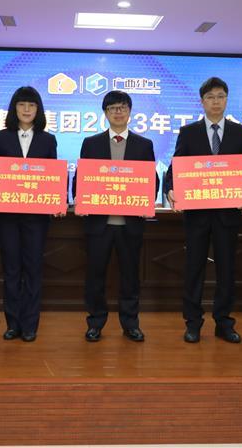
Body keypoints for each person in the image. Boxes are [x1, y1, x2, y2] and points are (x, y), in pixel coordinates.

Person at [164, 77, 242, 344]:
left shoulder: (239, 132)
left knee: (227, 270)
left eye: (220, 96)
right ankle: (193, 323)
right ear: (202, 101)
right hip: (197, 214)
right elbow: (175, 168)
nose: (216, 102)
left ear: (227, 100)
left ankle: (224, 322)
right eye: (210, 97)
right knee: (194, 269)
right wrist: (170, 189)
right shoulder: (189, 132)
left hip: (228, 214)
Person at [74, 90, 157, 343]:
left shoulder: (144, 145)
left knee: (130, 277)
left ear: (130, 112)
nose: (118, 112)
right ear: (105, 113)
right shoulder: (91, 143)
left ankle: (130, 324)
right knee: (95, 277)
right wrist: (80, 197)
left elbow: (152, 181)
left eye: (122, 108)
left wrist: (146, 198)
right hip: (99, 224)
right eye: (112, 108)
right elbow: (81, 178)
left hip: (130, 224)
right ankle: (95, 323)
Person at [0, 86, 57, 342]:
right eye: (22, 104)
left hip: (36, 217)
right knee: (11, 269)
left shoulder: (47, 140)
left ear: (38, 109)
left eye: (32, 105)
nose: (27, 109)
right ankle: (12, 323)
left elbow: (52, 176)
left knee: (33, 269)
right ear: (14, 108)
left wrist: (57, 199)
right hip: (7, 215)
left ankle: (30, 325)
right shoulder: (0, 137)